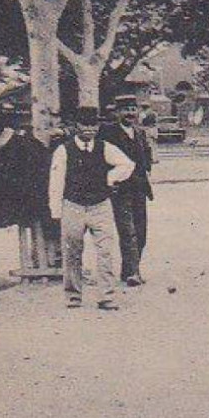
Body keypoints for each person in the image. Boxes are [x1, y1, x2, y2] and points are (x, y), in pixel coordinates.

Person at [48, 105, 134, 311]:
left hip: (100, 206)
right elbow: (56, 181)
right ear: (76, 126)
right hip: (73, 205)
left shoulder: (105, 147)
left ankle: (106, 296)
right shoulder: (63, 150)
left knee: (105, 251)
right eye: (85, 125)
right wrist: (56, 211)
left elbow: (127, 164)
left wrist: (109, 178)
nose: (89, 129)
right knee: (72, 252)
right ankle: (73, 296)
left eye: (93, 125)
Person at [0, 117, 62, 278]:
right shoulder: (19, 143)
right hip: (30, 195)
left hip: (41, 195)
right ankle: (44, 262)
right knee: (39, 224)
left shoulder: (50, 141)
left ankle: (51, 260)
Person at [99, 95, 156, 286]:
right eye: (126, 109)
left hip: (139, 188)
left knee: (141, 231)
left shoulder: (140, 133)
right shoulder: (108, 133)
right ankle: (133, 273)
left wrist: (147, 167)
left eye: (133, 109)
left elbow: (146, 157)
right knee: (127, 231)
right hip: (120, 190)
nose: (130, 113)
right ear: (117, 112)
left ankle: (129, 270)